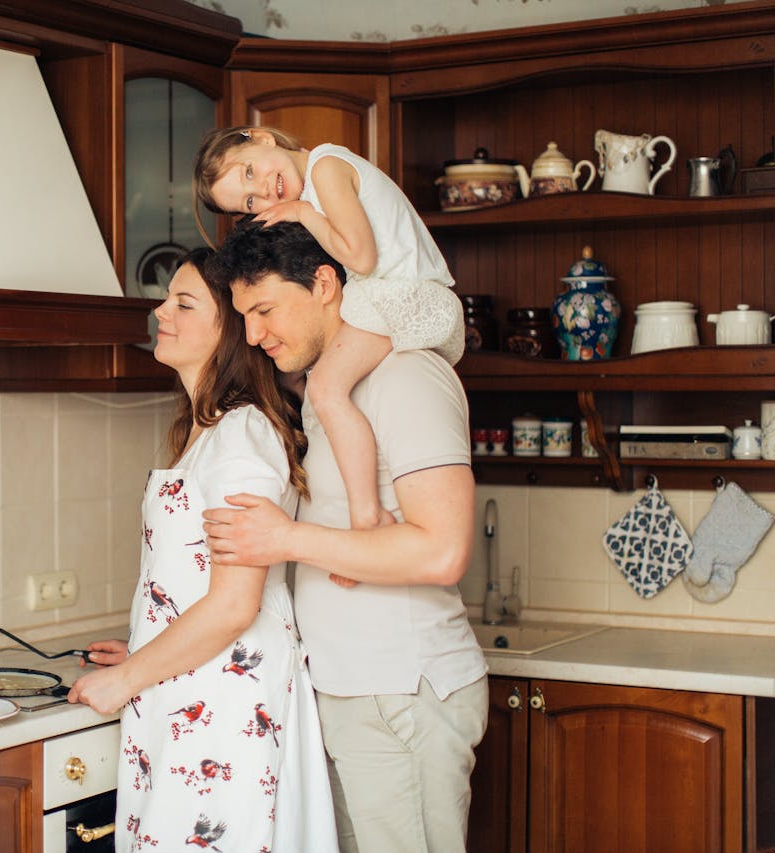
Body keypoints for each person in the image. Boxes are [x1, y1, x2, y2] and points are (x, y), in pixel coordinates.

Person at [204, 220, 488, 853]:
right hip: (353, 690)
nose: (254, 334)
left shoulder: (408, 376)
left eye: (266, 309)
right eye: (244, 316)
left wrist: (284, 539)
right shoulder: (327, 392)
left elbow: (442, 549)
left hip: (402, 693)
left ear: (326, 284)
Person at [67, 248, 337, 852]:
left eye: (184, 303)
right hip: (196, 683)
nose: (161, 309)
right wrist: (146, 643)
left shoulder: (241, 434)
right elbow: (194, 579)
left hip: (228, 708)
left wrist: (130, 677)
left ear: (231, 332)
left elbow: (236, 603)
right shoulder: (209, 428)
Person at [193, 125, 464, 534]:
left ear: (262, 136)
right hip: (395, 298)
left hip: (409, 297)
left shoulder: (326, 167)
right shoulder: (316, 184)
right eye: (250, 201)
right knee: (314, 384)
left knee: (325, 390)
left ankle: (365, 513)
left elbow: (362, 256)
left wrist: (304, 213)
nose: (265, 194)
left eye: (249, 172)